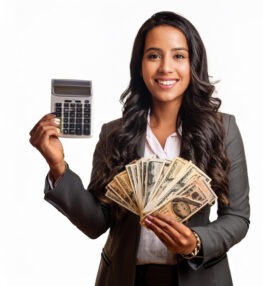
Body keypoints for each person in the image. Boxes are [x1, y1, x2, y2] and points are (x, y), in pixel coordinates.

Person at [29, 11, 250, 286]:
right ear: (140, 65)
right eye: (154, 55)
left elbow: (237, 218)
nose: (165, 68)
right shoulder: (115, 133)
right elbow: (97, 223)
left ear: (193, 63)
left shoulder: (223, 129)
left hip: (198, 277)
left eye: (178, 56)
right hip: (125, 278)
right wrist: (58, 167)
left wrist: (195, 241)